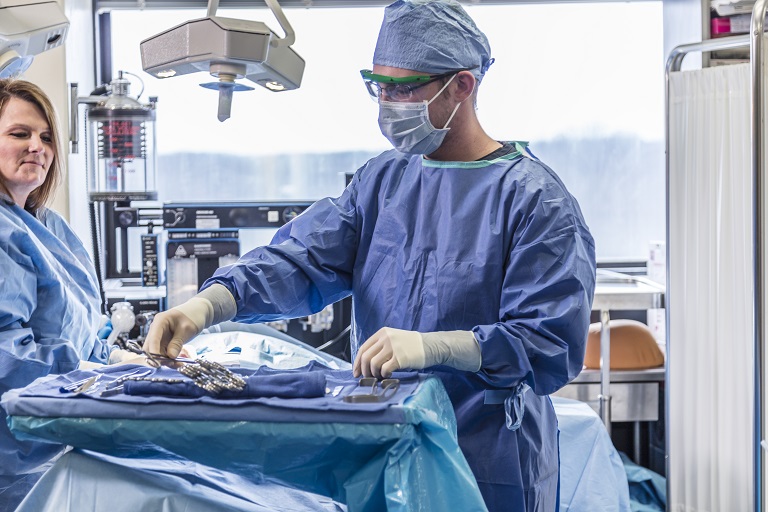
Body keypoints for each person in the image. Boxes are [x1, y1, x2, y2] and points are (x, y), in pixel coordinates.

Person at [144, 1, 596, 510]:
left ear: (462, 86)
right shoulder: (384, 181)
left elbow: (548, 341)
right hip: (384, 441)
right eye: (377, 85)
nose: (387, 102)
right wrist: (208, 305)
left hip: (486, 457)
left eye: (404, 88)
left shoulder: (536, 200)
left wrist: (439, 347)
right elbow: (300, 258)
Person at [0, 78, 132, 509]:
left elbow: (86, 327)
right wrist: (104, 378)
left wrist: (121, 359)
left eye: (46, 137)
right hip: (19, 453)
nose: (37, 146)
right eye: (19, 134)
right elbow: (8, 359)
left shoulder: (48, 226)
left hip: (65, 432)